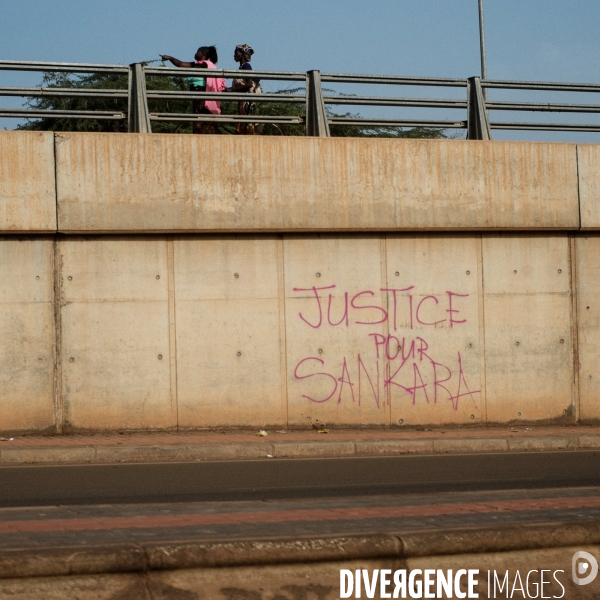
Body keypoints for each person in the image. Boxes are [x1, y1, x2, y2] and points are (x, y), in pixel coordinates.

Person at [159, 46, 225, 134]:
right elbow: (180, 64)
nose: (195, 53)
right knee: (201, 120)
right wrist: (170, 58)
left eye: (198, 52)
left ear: (203, 54)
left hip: (202, 98)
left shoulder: (203, 65)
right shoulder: (200, 64)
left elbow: (181, 64)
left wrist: (170, 58)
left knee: (200, 121)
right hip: (198, 97)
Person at [226, 44, 261, 135]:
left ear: (242, 53)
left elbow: (249, 84)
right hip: (243, 98)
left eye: (236, 53)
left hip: (248, 99)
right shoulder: (241, 67)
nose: (234, 55)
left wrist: (233, 89)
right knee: (242, 123)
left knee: (247, 123)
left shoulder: (246, 66)